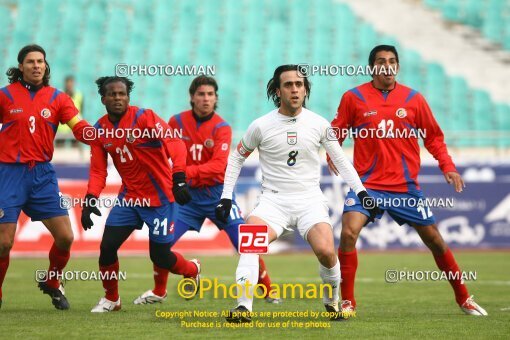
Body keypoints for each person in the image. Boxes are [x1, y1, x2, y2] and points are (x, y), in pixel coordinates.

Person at [329, 45, 487, 317]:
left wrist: (447, 166)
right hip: (366, 186)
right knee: (347, 234)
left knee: (435, 241)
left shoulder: (414, 100)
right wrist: (333, 153)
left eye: (392, 61)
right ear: (372, 68)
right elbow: (335, 131)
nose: (387, 66)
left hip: (405, 188)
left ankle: (464, 298)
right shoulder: (353, 98)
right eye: (381, 62)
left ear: (397, 67)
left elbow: (434, 137)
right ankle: (348, 302)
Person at [215, 65, 380, 323]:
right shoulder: (261, 126)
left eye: (299, 85)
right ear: (278, 90)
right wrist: (226, 196)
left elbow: (342, 161)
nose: (295, 89)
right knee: (249, 243)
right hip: (272, 202)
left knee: (327, 252)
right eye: (289, 85)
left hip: (309, 202)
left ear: (305, 90)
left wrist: (362, 192)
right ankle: (243, 308)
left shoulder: (319, 124)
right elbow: (236, 159)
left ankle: (331, 301)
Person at [133, 76, 280, 305]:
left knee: (246, 242)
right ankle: (159, 291)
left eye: (210, 95)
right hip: (186, 199)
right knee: (162, 243)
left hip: (217, 195)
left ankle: (269, 291)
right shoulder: (176, 122)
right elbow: (165, 154)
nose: (206, 99)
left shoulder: (222, 127)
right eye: (201, 94)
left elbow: (219, 167)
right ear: (192, 97)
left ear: (216, 98)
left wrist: (183, 174)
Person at [81, 76, 199, 312]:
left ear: (128, 97)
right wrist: (90, 198)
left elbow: (175, 143)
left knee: (160, 257)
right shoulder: (99, 130)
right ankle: (112, 299)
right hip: (130, 198)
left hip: (161, 199)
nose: (117, 98)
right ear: (103, 98)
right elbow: (98, 170)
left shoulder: (145, 118)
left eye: (122, 94)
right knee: (107, 247)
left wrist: (179, 177)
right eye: (112, 94)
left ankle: (192, 270)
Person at [0, 44, 96, 310]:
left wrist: (100, 137)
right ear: (21, 67)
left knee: (65, 237)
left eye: (40, 61)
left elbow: (79, 127)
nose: (36, 66)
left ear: (45, 65)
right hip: (8, 174)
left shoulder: (58, 98)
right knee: (3, 243)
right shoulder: (5, 96)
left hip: (42, 175)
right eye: (30, 62)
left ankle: (53, 281)